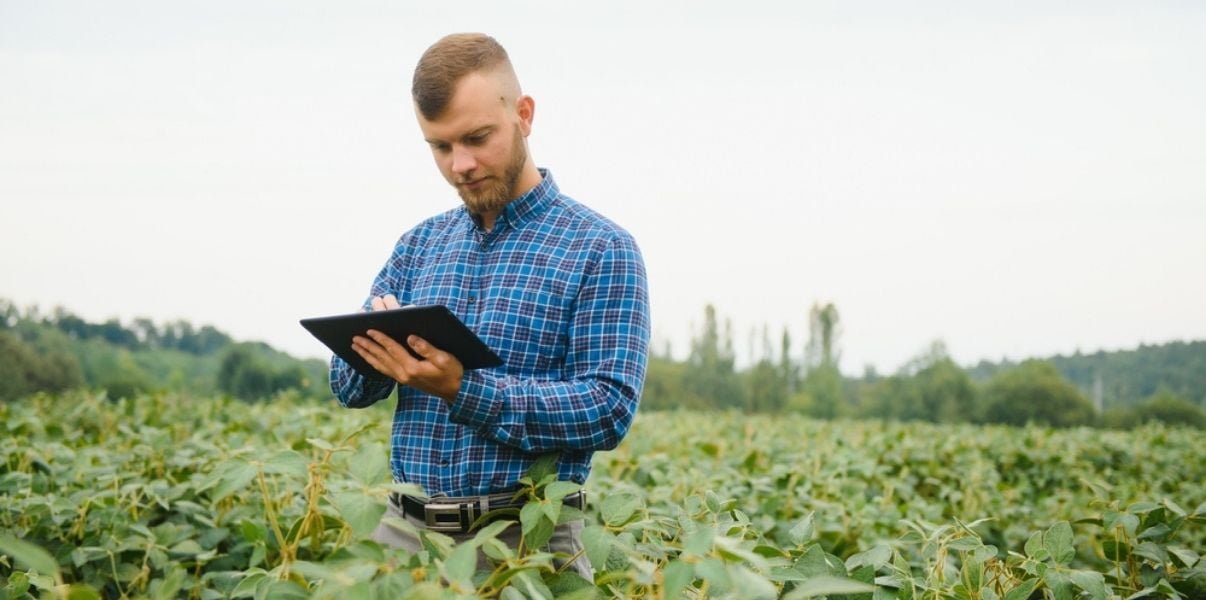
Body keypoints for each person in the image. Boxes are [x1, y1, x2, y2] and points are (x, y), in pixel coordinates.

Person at [329, 33, 650, 579]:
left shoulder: (600, 248)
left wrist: (461, 387)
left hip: (527, 546)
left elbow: (607, 407)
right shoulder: (418, 245)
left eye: (478, 138)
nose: (461, 165)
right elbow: (348, 389)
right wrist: (371, 349)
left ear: (524, 114)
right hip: (402, 540)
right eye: (441, 146)